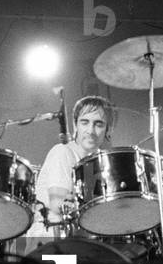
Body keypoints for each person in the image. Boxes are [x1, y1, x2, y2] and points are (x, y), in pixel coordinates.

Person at [27, 95, 115, 238]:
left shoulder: (96, 164)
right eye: (84, 122)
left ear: (108, 129)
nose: (90, 131)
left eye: (98, 124)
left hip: (78, 241)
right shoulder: (63, 152)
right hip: (51, 244)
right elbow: (58, 207)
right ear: (75, 125)